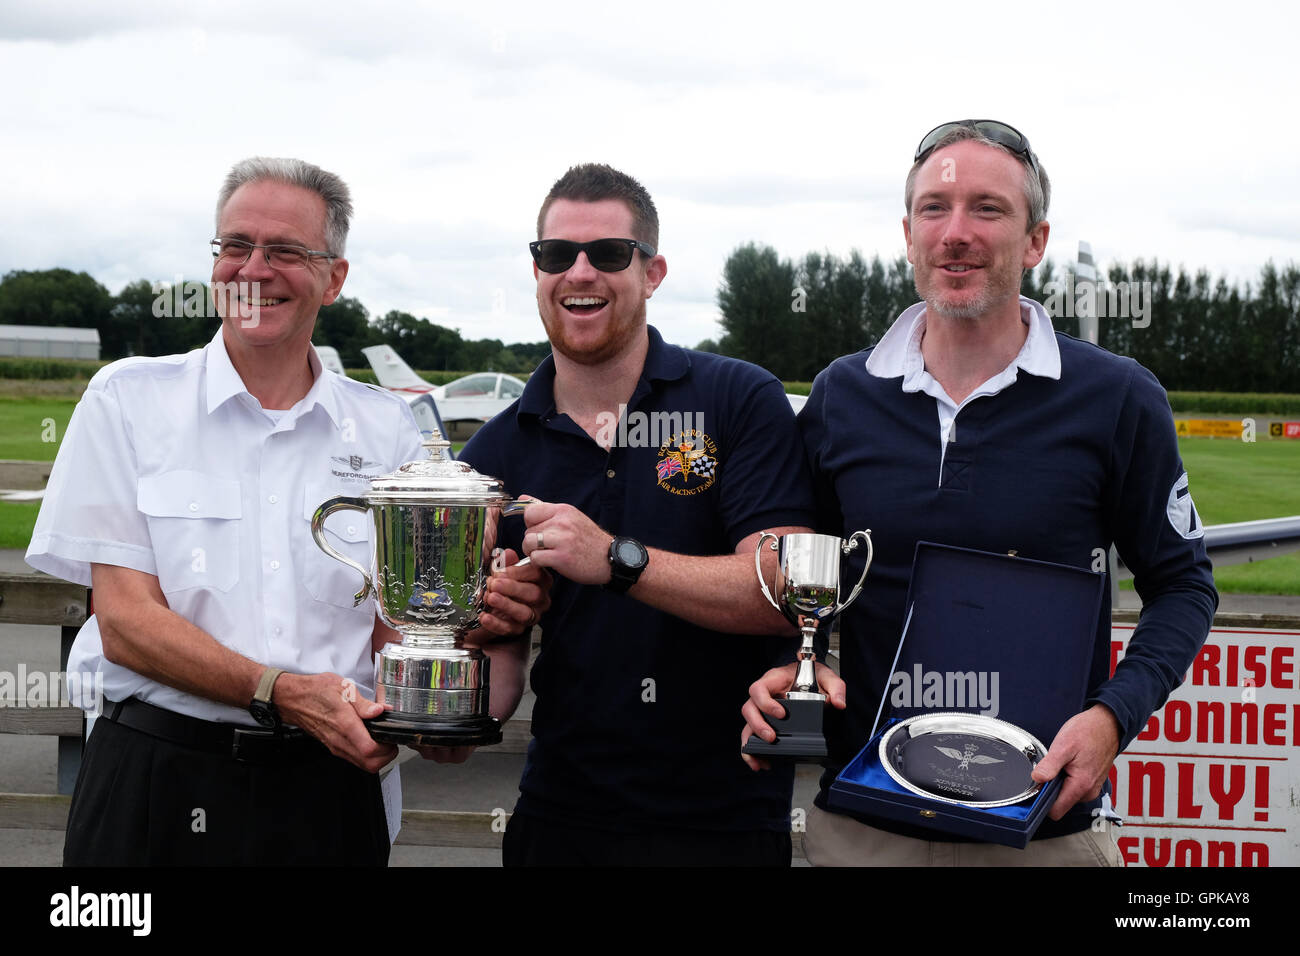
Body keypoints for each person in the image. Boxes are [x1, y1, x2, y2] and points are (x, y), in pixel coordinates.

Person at [26, 156, 547, 865]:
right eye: (235, 246)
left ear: (334, 278)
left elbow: (394, 629)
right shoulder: (126, 400)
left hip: (327, 791)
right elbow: (125, 624)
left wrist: (435, 695)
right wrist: (281, 691)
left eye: (285, 251)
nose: (253, 269)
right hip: (155, 782)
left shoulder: (390, 432)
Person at [742, 120, 1219, 866]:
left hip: (1041, 830)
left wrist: (1110, 720)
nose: (955, 233)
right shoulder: (842, 394)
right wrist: (793, 665)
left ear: (1035, 241)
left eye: (987, 209)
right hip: (865, 829)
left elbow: (1185, 586)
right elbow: (804, 579)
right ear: (908, 234)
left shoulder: (1118, 398)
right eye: (935, 208)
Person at [459, 163, 816, 866]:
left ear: (652, 272)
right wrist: (487, 625)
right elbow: (490, 696)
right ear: (537, 271)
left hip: (725, 822)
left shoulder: (737, 398)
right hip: (560, 819)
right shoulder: (494, 451)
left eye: (609, 254)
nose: (580, 272)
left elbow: (787, 590)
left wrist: (618, 560)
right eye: (557, 255)